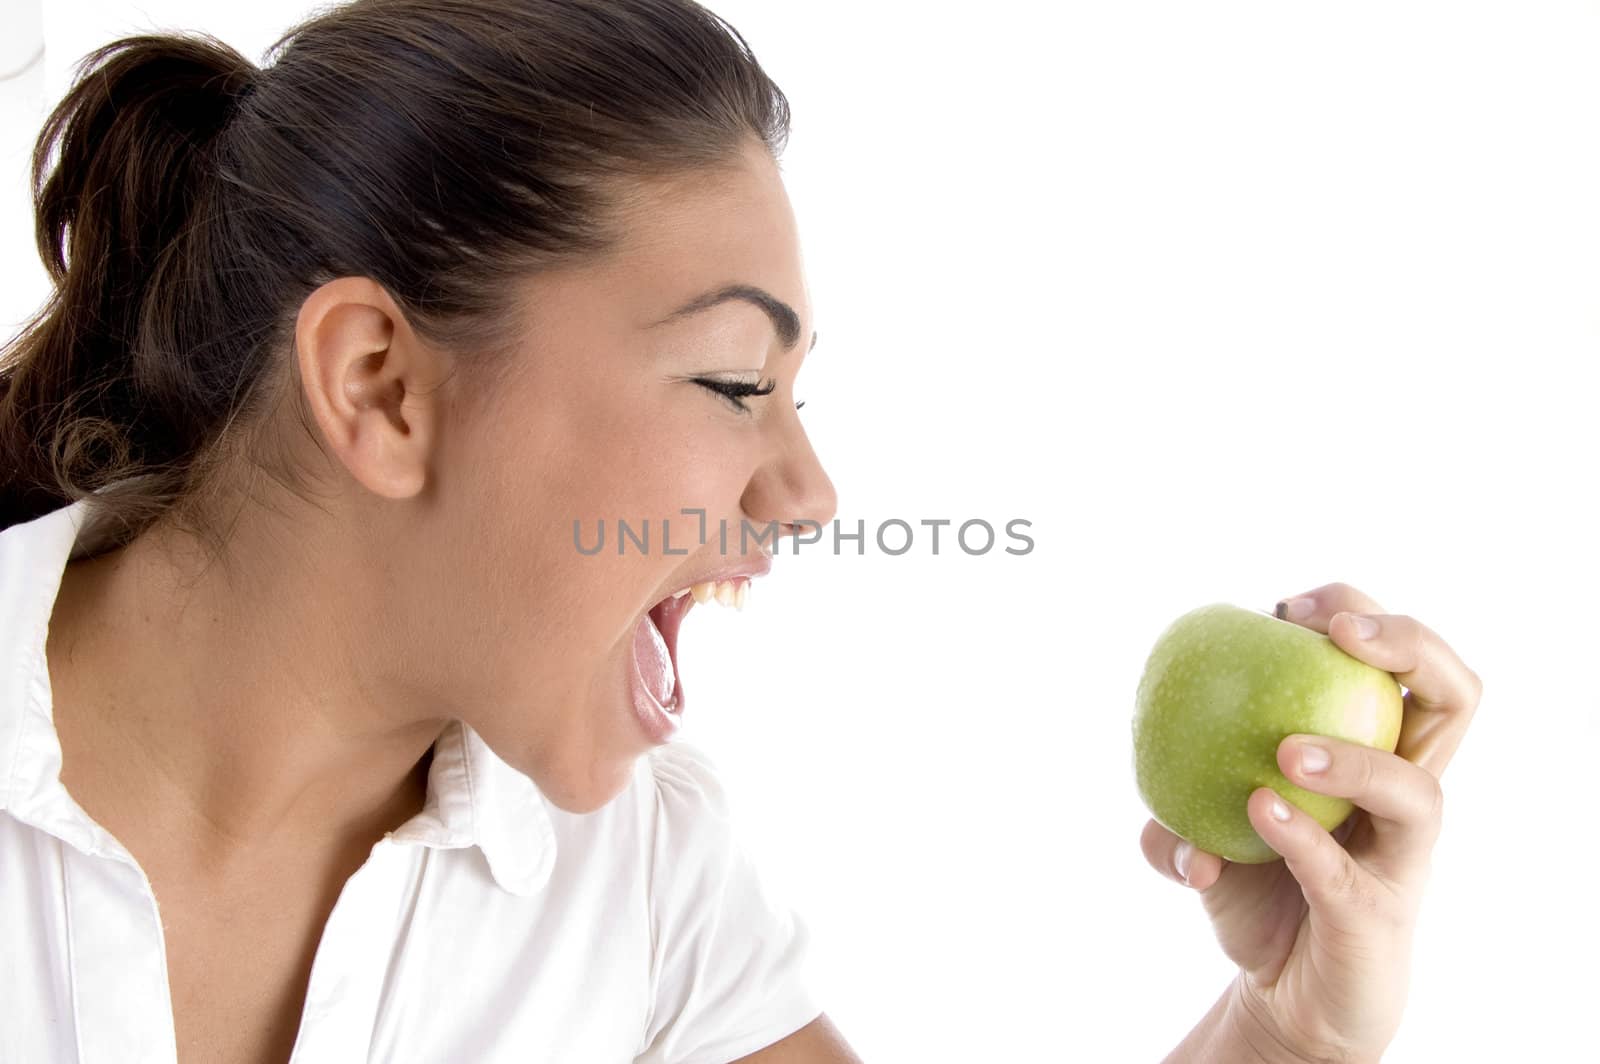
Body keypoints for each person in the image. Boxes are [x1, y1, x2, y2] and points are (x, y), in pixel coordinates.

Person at [0, 1, 1480, 1062]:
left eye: (798, 392)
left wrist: (1287, 1035)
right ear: (382, 387)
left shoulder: (632, 882)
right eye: (730, 381)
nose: (810, 493)